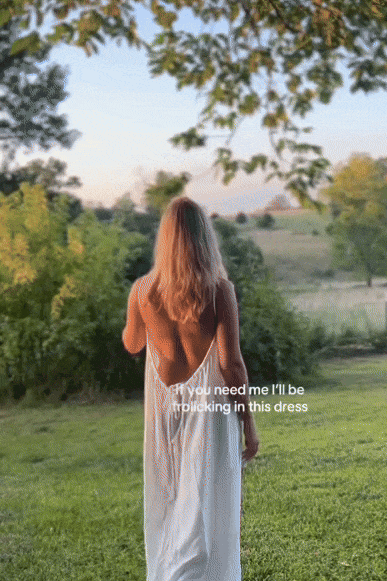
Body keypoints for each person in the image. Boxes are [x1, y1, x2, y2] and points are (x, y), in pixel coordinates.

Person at [122, 196, 259, 581]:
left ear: (164, 238)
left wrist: (143, 318)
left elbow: (132, 344)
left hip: (164, 413)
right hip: (209, 415)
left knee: (169, 508)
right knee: (206, 512)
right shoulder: (219, 291)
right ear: (204, 238)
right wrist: (249, 424)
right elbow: (230, 364)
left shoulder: (142, 291)